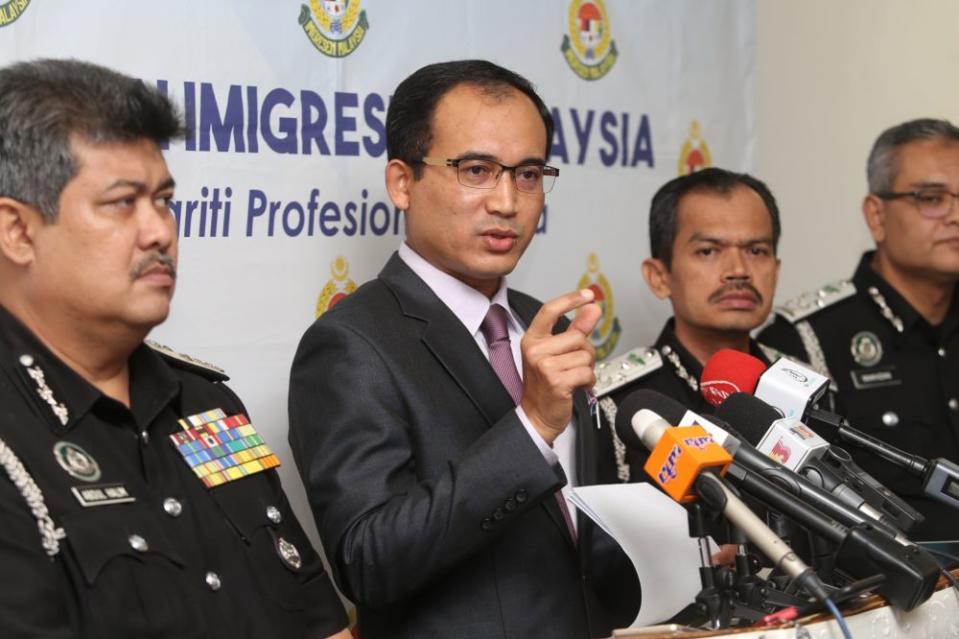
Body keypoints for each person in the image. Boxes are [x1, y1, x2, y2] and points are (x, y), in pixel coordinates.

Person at [0, 59, 350, 639]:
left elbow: (317, 618)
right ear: (17, 231)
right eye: (121, 203)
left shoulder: (207, 405)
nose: (159, 230)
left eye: (163, 200)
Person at [288, 60, 635, 639]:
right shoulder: (350, 344)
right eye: (476, 170)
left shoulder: (538, 321)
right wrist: (530, 427)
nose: (507, 201)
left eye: (527, 175)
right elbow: (368, 560)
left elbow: (569, 532)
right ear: (402, 182)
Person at [760, 118, 959, 543]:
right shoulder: (807, 339)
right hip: (887, 596)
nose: (955, 216)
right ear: (876, 215)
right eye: (932, 198)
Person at [595, 168, 782, 483]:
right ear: (660, 277)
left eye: (756, 251)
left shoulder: (806, 388)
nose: (738, 270)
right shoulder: (618, 406)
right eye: (708, 251)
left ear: (775, 270)